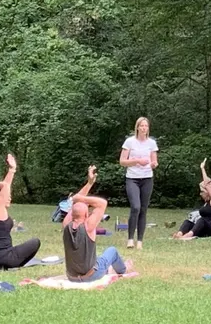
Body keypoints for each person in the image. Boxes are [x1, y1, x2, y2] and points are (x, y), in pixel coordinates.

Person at [62, 165, 132, 282]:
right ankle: (124, 270)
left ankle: (108, 269)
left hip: (71, 277)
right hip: (89, 276)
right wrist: (81, 198)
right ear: (86, 215)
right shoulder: (88, 226)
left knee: (98, 259)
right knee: (112, 251)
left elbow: (75, 202)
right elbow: (102, 203)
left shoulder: (65, 225)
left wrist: (89, 184)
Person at [0, 154, 42, 269]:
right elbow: (5, 187)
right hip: (2, 257)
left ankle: (11, 262)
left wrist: (12, 170)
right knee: (35, 242)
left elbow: (5, 187)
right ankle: (14, 265)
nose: (10, 198)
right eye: (8, 196)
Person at [119, 116, 158, 249]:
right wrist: (136, 161)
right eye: (141, 125)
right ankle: (130, 239)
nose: (144, 128)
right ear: (137, 127)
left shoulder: (151, 143)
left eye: (146, 126)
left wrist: (153, 164)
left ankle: (139, 241)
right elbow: (122, 161)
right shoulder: (130, 142)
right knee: (135, 207)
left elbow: (154, 161)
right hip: (133, 178)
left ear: (148, 128)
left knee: (143, 209)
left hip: (147, 178)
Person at [173, 158, 211, 239]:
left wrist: (202, 168)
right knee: (188, 222)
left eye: (202, 191)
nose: (200, 194)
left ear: (207, 192)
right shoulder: (206, 203)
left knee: (202, 220)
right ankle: (179, 234)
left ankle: (187, 236)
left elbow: (207, 184)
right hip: (202, 228)